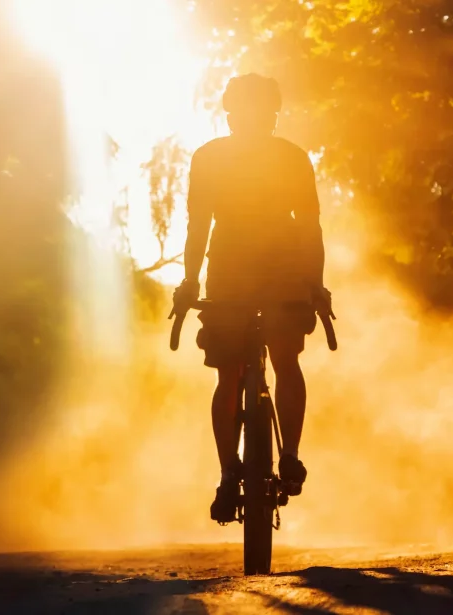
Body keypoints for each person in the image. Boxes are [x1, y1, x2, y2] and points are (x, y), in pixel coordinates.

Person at [173, 73, 331, 524]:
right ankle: (268, 462)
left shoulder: (212, 156)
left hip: (246, 273)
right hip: (264, 274)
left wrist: (190, 283)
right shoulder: (290, 156)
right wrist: (313, 283)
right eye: (250, 109)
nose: (256, 117)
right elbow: (309, 228)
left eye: (262, 110)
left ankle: (240, 470)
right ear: (231, 113)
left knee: (245, 370)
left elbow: (200, 227)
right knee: (269, 364)